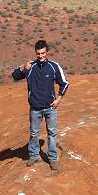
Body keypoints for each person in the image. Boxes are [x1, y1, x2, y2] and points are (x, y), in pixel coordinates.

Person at [11, 40, 69, 170]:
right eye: (38, 54)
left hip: (50, 107)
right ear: (35, 53)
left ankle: (52, 158)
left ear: (47, 52)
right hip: (35, 108)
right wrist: (22, 68)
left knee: (52, 133)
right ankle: (34, 155)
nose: (41, 56)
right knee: (34, 133)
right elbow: (14, 76)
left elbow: (64, 83)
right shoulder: (30, 67)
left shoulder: (54, 66)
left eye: (43, 53)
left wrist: (58, 99)